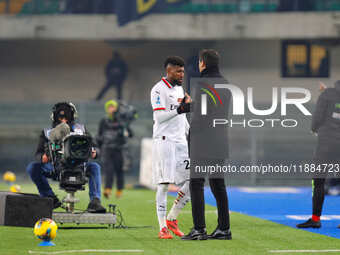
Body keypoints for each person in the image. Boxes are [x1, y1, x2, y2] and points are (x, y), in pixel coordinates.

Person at [182, 49, 232, 241]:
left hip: (203, 140)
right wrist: (189, 105)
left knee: (196, 183)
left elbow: (201, 116)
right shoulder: (225, 84)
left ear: (203, 63)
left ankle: (199, 229)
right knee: (218, 184)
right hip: (220, 139)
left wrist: (191, 136)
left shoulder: (202, 83)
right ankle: (224, 229)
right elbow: (213, 109)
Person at [26, 102, 106, 213]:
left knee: (95, 167)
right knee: (33, 168)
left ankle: (95, 202)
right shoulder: (47, 133)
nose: (63, 120)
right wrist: (42, 157)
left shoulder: (82, 129)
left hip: (79, 167)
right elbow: (38, 154)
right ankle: (49, 198)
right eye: (60, 117)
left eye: (66, 117)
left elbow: (96, 148)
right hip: (56, 167)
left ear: (72, 116)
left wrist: (94, 152)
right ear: (55, 117)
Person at [150, 56, 192, 239]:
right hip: (165, 141)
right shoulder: (158, 89)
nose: (182, 74)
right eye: (178, 71)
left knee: (194, 179)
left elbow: (181, 117)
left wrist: (191, 132)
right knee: (164, 183)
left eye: (183, 71)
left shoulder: (179, 88)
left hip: (180, 141)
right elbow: (159, 117)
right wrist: (180, 110)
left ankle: (172, 218)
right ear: (168, 71)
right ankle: (162, 228)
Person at [297, 80, 340, 228]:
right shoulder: (329, 93)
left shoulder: (328, 94)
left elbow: (318, 117)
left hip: (326, 143)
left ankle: (316, 219)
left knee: (319, 180)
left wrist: (314, 129)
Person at [97, 99, 133, 199]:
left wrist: (125, 126)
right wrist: (99, 146)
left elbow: (130, 134)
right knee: (109, 170)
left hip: (119, 149)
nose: (111, 109)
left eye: (113, 107)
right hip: (107, 149)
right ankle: (107, 190)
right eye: (109, 107)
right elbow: (99, 134)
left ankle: (119, 191)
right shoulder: (104, 121)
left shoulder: (122, 121)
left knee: (119, 170)